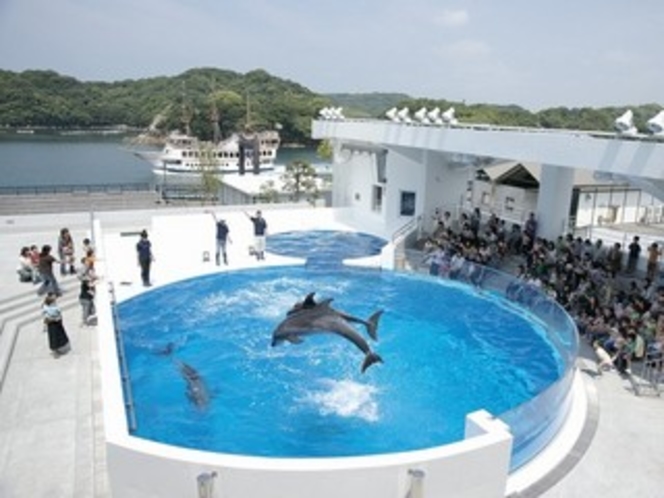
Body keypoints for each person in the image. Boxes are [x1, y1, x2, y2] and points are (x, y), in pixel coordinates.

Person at [42, 293, 71, 357]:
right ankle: (55, 351)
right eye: (54, 298)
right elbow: (47, 317)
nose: (55, 299)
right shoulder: (47, 308)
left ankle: (57, 348)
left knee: (59, 336)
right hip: (52, 324)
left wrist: (59, 317)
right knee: (54, 337)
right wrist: (55, 318)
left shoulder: (53, 305)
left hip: (57, 323)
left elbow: (58, 312)